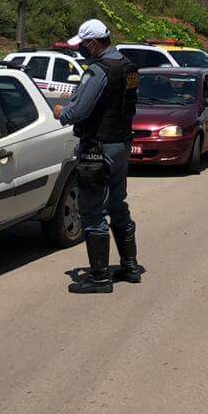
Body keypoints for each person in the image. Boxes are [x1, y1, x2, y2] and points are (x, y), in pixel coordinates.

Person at [52, 19, 141, 294]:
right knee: (117, 204)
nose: (81, 49)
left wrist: (60, 113)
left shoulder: (98, 72)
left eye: (82, 44)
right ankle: (130, 266)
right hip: (121, 144)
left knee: (92, 211)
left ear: (93, 43)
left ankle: (100, 277)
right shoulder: (128, 66)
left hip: (98, 148)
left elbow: (77, 112)